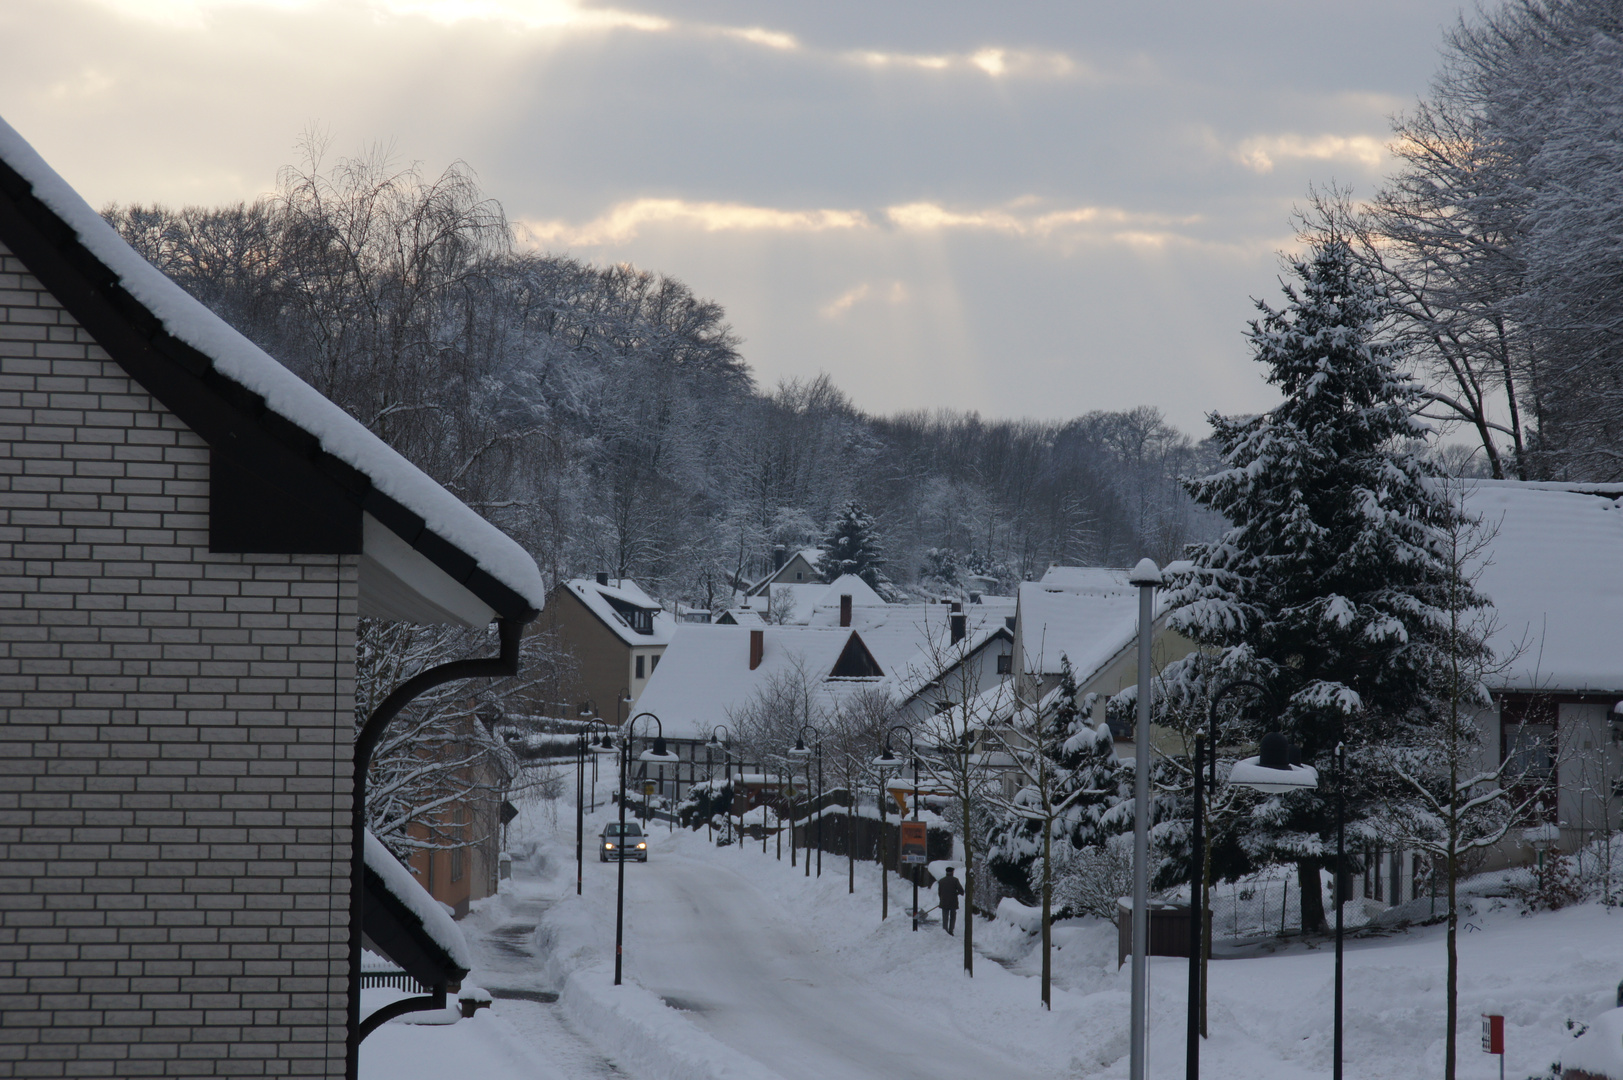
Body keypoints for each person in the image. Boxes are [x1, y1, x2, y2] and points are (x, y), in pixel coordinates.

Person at [937, 865, 964, 935]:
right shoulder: (955, 880)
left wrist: (941, 899)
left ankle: (945, 931)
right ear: (952, 872)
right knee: (953, 917)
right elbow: (961, 891)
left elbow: (939, 893)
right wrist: (957, 893)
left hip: (944, 902)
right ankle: (951, 930)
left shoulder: (941, 881)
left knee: (945, 917)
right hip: (953, 902)